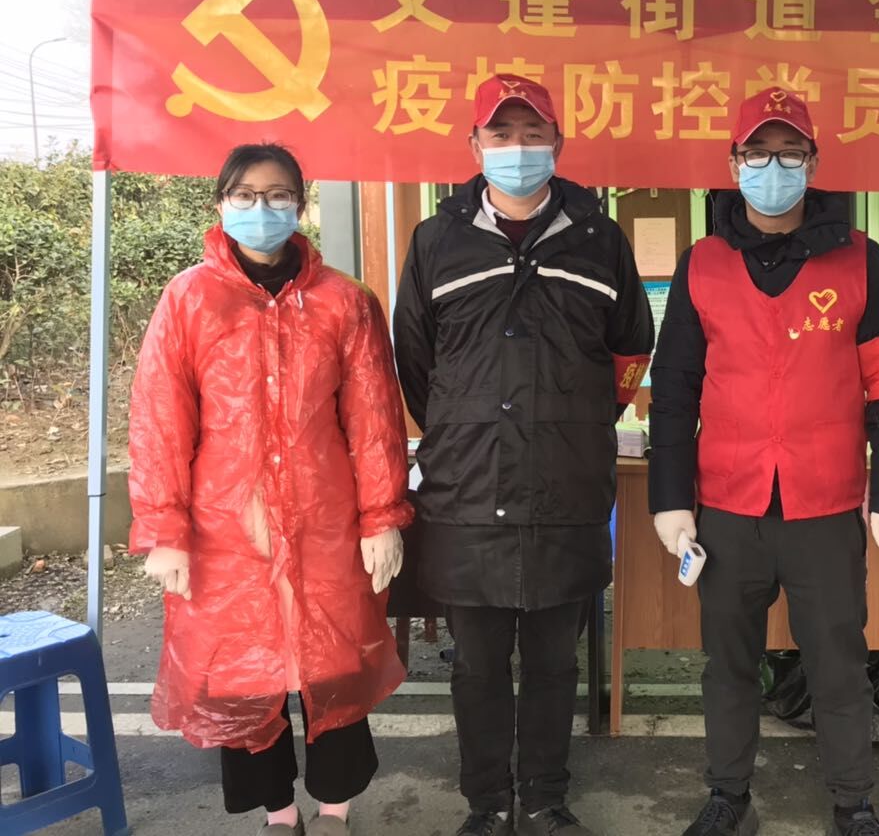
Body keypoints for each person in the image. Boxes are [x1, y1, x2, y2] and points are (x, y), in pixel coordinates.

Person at [649, 88, 879, 836]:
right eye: (759, 153)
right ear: (734, 162)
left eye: (789, 153)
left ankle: (853, 801)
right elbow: (673, 391)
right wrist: (670, 499)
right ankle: (727, 795)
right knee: (728, 664)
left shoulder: (859, 259)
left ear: (813, 162)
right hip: (728, 505)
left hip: (824, 504)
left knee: (838, 662)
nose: (774, 168)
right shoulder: (703, 263)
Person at [392, 75, 654, 836]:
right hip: (467, 490)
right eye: (501, 135)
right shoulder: (436, 241)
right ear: (474, 146)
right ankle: (486, 803)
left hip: (565, 489)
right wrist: (466, 425)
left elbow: (630, 348)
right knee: (476, 667)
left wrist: (572, 423)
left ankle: (543, 798)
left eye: (532, 134)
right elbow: (416, 361)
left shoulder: (599, 238)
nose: (517, 148)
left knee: (553, 663)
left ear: (557, 144)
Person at [128, 143, 412, 836]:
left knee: (334, 667)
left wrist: (381, 516)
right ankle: (279, 815)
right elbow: (161, 418)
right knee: (242, 678)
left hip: (325, 523)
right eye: (246, 196)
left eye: (278, 194)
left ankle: (336, 810)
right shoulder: (189, 299)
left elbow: (373, 418)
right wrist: (164, 528)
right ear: (221, 204)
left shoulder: (345, 301)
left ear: (301, 204)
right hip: (226, 530)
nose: (263, 208)